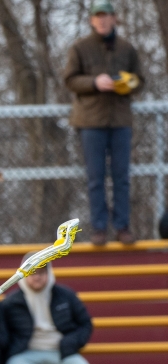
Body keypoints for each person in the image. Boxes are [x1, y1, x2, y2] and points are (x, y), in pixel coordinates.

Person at [63, 1, 142, 246]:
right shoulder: (80, 48)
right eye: (98, 16)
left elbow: (141, 80)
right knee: (95, 177)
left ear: (114, 19)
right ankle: (99, 228)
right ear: (91, 20)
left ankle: (122, 227)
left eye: (106, 16)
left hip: (120, 120)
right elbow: (70, 79)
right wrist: (95, 83)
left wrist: (127, 83)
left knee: (121, 176)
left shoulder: (127, 49)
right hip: (90, 122)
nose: (102, 20)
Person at [0, 254, 93, 364]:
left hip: (60, 352)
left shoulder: (66, 295)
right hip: (26, 354)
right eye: (32, 272)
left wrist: (72, 343)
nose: (37, 277)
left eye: (41, 272)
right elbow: (3, 333)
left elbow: (85, 324)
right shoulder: (11, 302)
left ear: (49, 273)